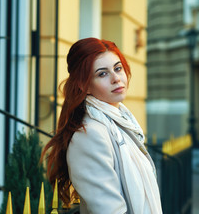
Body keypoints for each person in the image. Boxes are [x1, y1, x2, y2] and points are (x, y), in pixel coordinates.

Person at [41, 37, 163, 214]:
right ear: (85, 86)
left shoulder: (121, 122)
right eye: (102, 74)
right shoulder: (89, 134)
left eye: (118, 68)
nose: (116, 78)